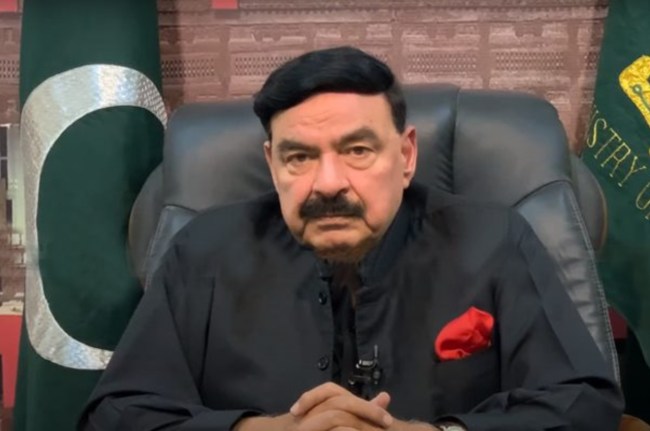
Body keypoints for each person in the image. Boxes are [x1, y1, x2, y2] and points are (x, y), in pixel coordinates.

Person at [79, 46, 623, 431]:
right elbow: (118, 412)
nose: (328, 183)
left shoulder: (493, 239)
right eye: (299, 156)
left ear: (406, 156)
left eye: (358, 151)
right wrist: (254, 430)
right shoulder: (206, 250)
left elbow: (583, 402)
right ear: (272, 164)